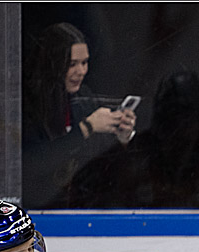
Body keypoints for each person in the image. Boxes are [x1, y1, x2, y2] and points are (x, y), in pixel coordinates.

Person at [66, 69, 199, 209]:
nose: (178, 126)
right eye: (171, 115)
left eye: (185, 114)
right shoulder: (134, 155)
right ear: (158, 117)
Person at [21, 22, 137, 208]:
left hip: (78, 209)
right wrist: (86, 128)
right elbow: (32, 164)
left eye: (84, 63)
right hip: (35, 212)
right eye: (72, 64)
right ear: (54, 62)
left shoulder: (83, 98)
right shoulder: (25, 105)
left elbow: (103, 166)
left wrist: (122, 138)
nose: (81, 71)